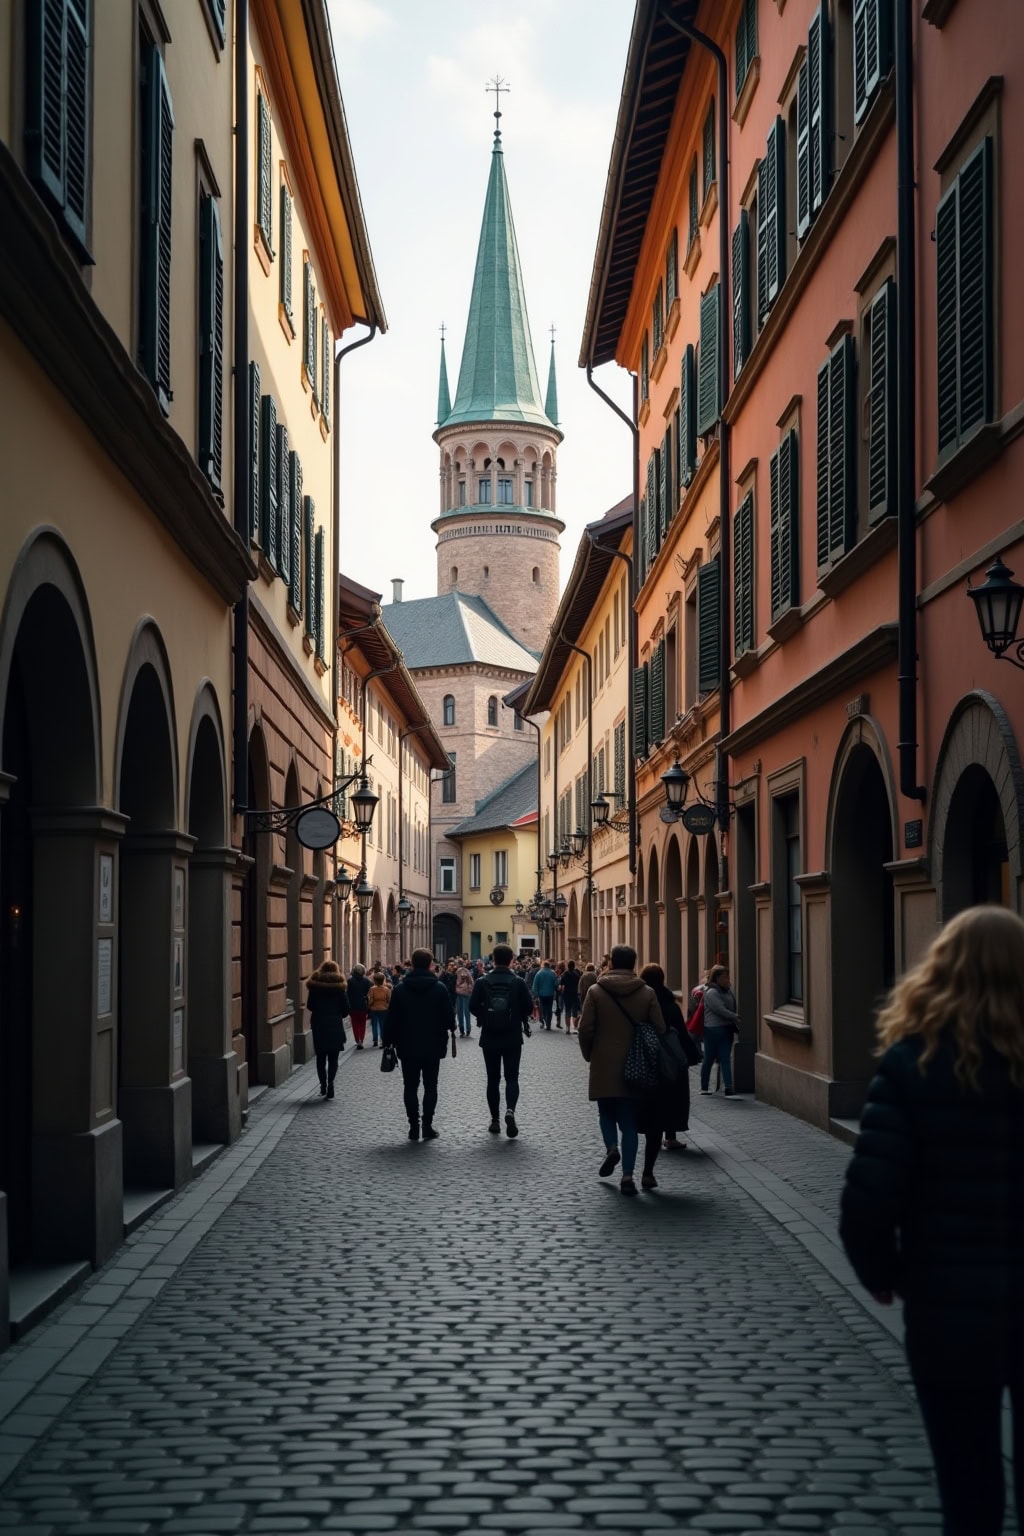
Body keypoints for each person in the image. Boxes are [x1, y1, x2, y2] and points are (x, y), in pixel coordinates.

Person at [839, 906, 1024, 1536]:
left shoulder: (912, 1064)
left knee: (965, 1475)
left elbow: (870, 1193)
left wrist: (883, 1271)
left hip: (947, 1300)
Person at [577, 944, 665, 1196]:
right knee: (629, 1121)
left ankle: (611, 1147)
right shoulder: (647, 992)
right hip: (636, 1065)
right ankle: (628, 1176)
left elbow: (585, 1029)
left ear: (612, 963)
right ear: (634, 964)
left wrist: (589, 1053)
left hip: (603, 1061)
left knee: (605, 1111)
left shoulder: (596, 990)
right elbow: (659, 1027)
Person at [383, 947, 457, 1141]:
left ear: (413, 964)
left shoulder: (400, 989)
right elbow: (450, 1019)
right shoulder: (439, 988)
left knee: (410, 1086)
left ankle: (413, 1126)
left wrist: (388, 1041)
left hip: (407, 1045)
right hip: (433, 1045)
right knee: (431, 1086)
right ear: (431, 964)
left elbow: (391, 1019)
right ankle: (427, 1125)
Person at [637, 963, 695, 1185]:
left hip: (644, 1064)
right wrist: (690, 1056)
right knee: (669, 1103)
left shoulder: (639, 1003)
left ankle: (632, 1172)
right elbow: (680, 1033)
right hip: (669, 1065)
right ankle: (667, 1138)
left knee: (649, 1115)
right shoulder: (670, 1005)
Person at [468, 944, 534, 1137]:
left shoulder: (482, 981)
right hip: (512, 1035)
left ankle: (495, 1119)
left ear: (493, 959)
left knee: (492, 1079)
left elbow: (473, 1006)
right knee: (512, 1077)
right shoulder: (518, 982)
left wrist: (486, 1015)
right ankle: (510, 1111)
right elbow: (529, 1008)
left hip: (489, 1036)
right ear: (511, 960)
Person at [305, 960, 349, 1098]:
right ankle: (331, 1083)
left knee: (320, 1057)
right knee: (333, 1057)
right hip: (334, 1024)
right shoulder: (339, 988)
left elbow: (310, 1006)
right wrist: (337, 1014)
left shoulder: (315, 987)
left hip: (319, 1024)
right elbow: (346, 1009)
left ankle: (323, 1085)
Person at [699, 964, 739, 1096]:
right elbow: (719, 1009)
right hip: (712, 1029)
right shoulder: (711, 992)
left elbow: (731, 1006)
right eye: (724, 977)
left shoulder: (727, 991)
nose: (727, 979)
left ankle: (729, 1087)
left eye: (728, 976)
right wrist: (734, 1016)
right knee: (709, 1059)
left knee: (725, 1058)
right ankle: (704, 1087)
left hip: (726, 1029)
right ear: (716, 978)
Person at [347, 963, 370, 1049]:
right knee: (362, 1024)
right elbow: (368, 994)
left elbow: (347, 994)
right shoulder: (366, 981)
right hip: (363, 1006)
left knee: (355, 1024)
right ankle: (361, 1040)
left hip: (353, 1006)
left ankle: (357, 1040)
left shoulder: (350, 981)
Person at [366, 969, 391, 1048]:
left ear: (375, 980)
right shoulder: (387, 989)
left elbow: (370, 1000)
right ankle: (383, 1040)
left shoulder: (372, 989)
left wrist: (369, 1006)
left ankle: (375, 1040)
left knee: (374, 1025)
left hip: (374, 1009)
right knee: (382, 1025)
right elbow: (389, 1000)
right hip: (384, 1009)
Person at [531, 958, 558, 1029]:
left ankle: (544, 1021)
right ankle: (548, 1023)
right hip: (550, 994)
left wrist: (535, 994)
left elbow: (535, 985)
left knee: (542, 1008)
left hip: (541, 995)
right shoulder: (553, 973)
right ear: (549, 966)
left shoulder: (539, 973)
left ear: (543, 966)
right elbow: (556, 983)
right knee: (549, 1008)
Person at [560, 960, 581, 1034]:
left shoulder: (565, 974)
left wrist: (562, 991)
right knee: (575, 1011)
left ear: (567, 966)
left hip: (567, 994)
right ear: (574, 966)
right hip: (575, 994)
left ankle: (568, 1028)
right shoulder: (577, 973)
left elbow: (562, 985)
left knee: (567, 1011)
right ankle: (575, 1027)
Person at [454, 963, 474, 1037]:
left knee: (460, 1012)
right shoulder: (468, 972)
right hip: (467, 994)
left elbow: (455, 983)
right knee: (467, 1012)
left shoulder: (456, 972)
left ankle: (462, 1030)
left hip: (459, 993)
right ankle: (468, 1029)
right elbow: (472, 982)